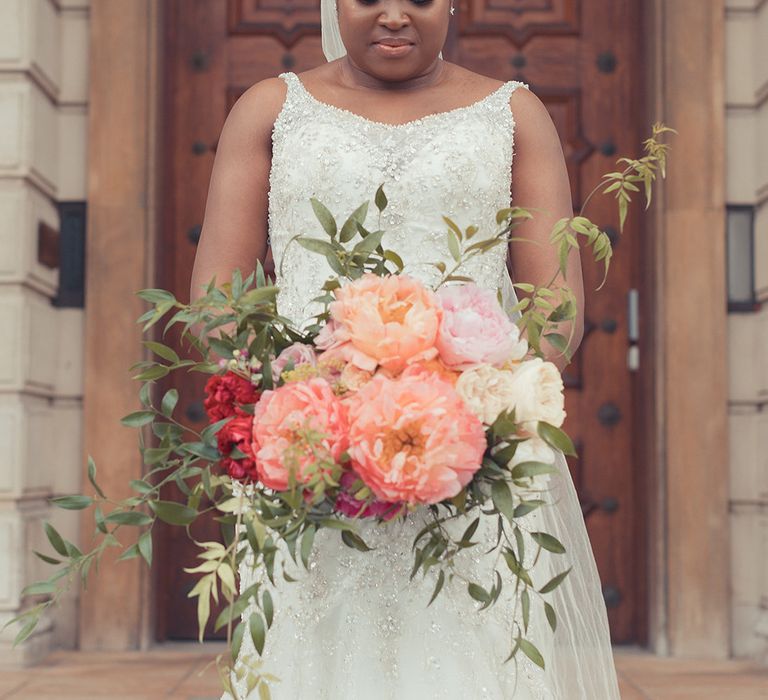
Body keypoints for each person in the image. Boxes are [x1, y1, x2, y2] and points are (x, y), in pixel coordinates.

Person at [190, 1, 621, 698]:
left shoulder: (513, 113)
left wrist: (471, 402)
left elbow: (556, 311)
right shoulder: (270, 109)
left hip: (464, 464)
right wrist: (308, 397)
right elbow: (217, 301)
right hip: (312, 465)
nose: (394, 14)